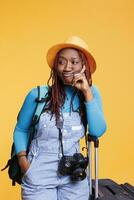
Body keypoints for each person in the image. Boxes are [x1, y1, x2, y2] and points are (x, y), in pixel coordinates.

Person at [13, 36, 107, 200]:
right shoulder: (38, 95)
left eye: (74, 62)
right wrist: (23, 162)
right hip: (38, 173)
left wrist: (86, 92)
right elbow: (21, 129)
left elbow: (97, 131)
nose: (67, 67)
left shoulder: (91, 93)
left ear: (84, 65)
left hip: (74, 175)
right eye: (62, 62)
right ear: (55, 66)